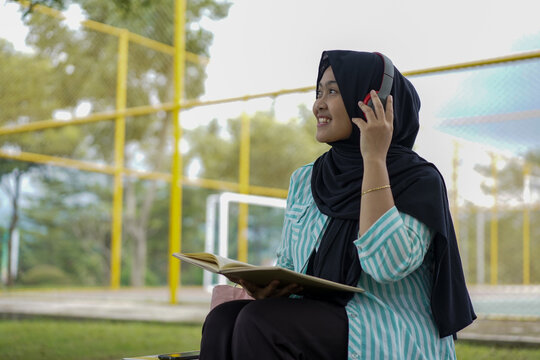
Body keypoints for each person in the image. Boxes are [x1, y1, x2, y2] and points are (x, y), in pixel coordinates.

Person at [199, 50, 476, 360]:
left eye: (332, 91)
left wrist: (373, 157)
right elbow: (291, 265)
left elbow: (385, 265)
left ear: (373, 103)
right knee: (223, 320)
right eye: (318, 92)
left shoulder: (418, 179)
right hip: (319, 316)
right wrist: (272, 289)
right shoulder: (306, 179)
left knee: (261, 323)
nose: (319, 103)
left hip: (387, 327)